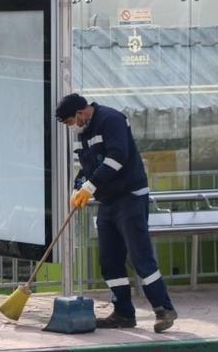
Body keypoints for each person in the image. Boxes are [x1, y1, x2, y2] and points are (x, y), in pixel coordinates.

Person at [55, 93, 178, 333]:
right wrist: (77, 187)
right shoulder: (83, 133)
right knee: (109, 259)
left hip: (130, 196)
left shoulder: (111, 119)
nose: (72, 127)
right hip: (108, 201)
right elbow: (85, 167)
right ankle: (123, 312)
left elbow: (117, 158)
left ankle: (164, 308)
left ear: (80, 113)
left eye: (71, 122)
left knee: (139, 255)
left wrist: (90, 187)